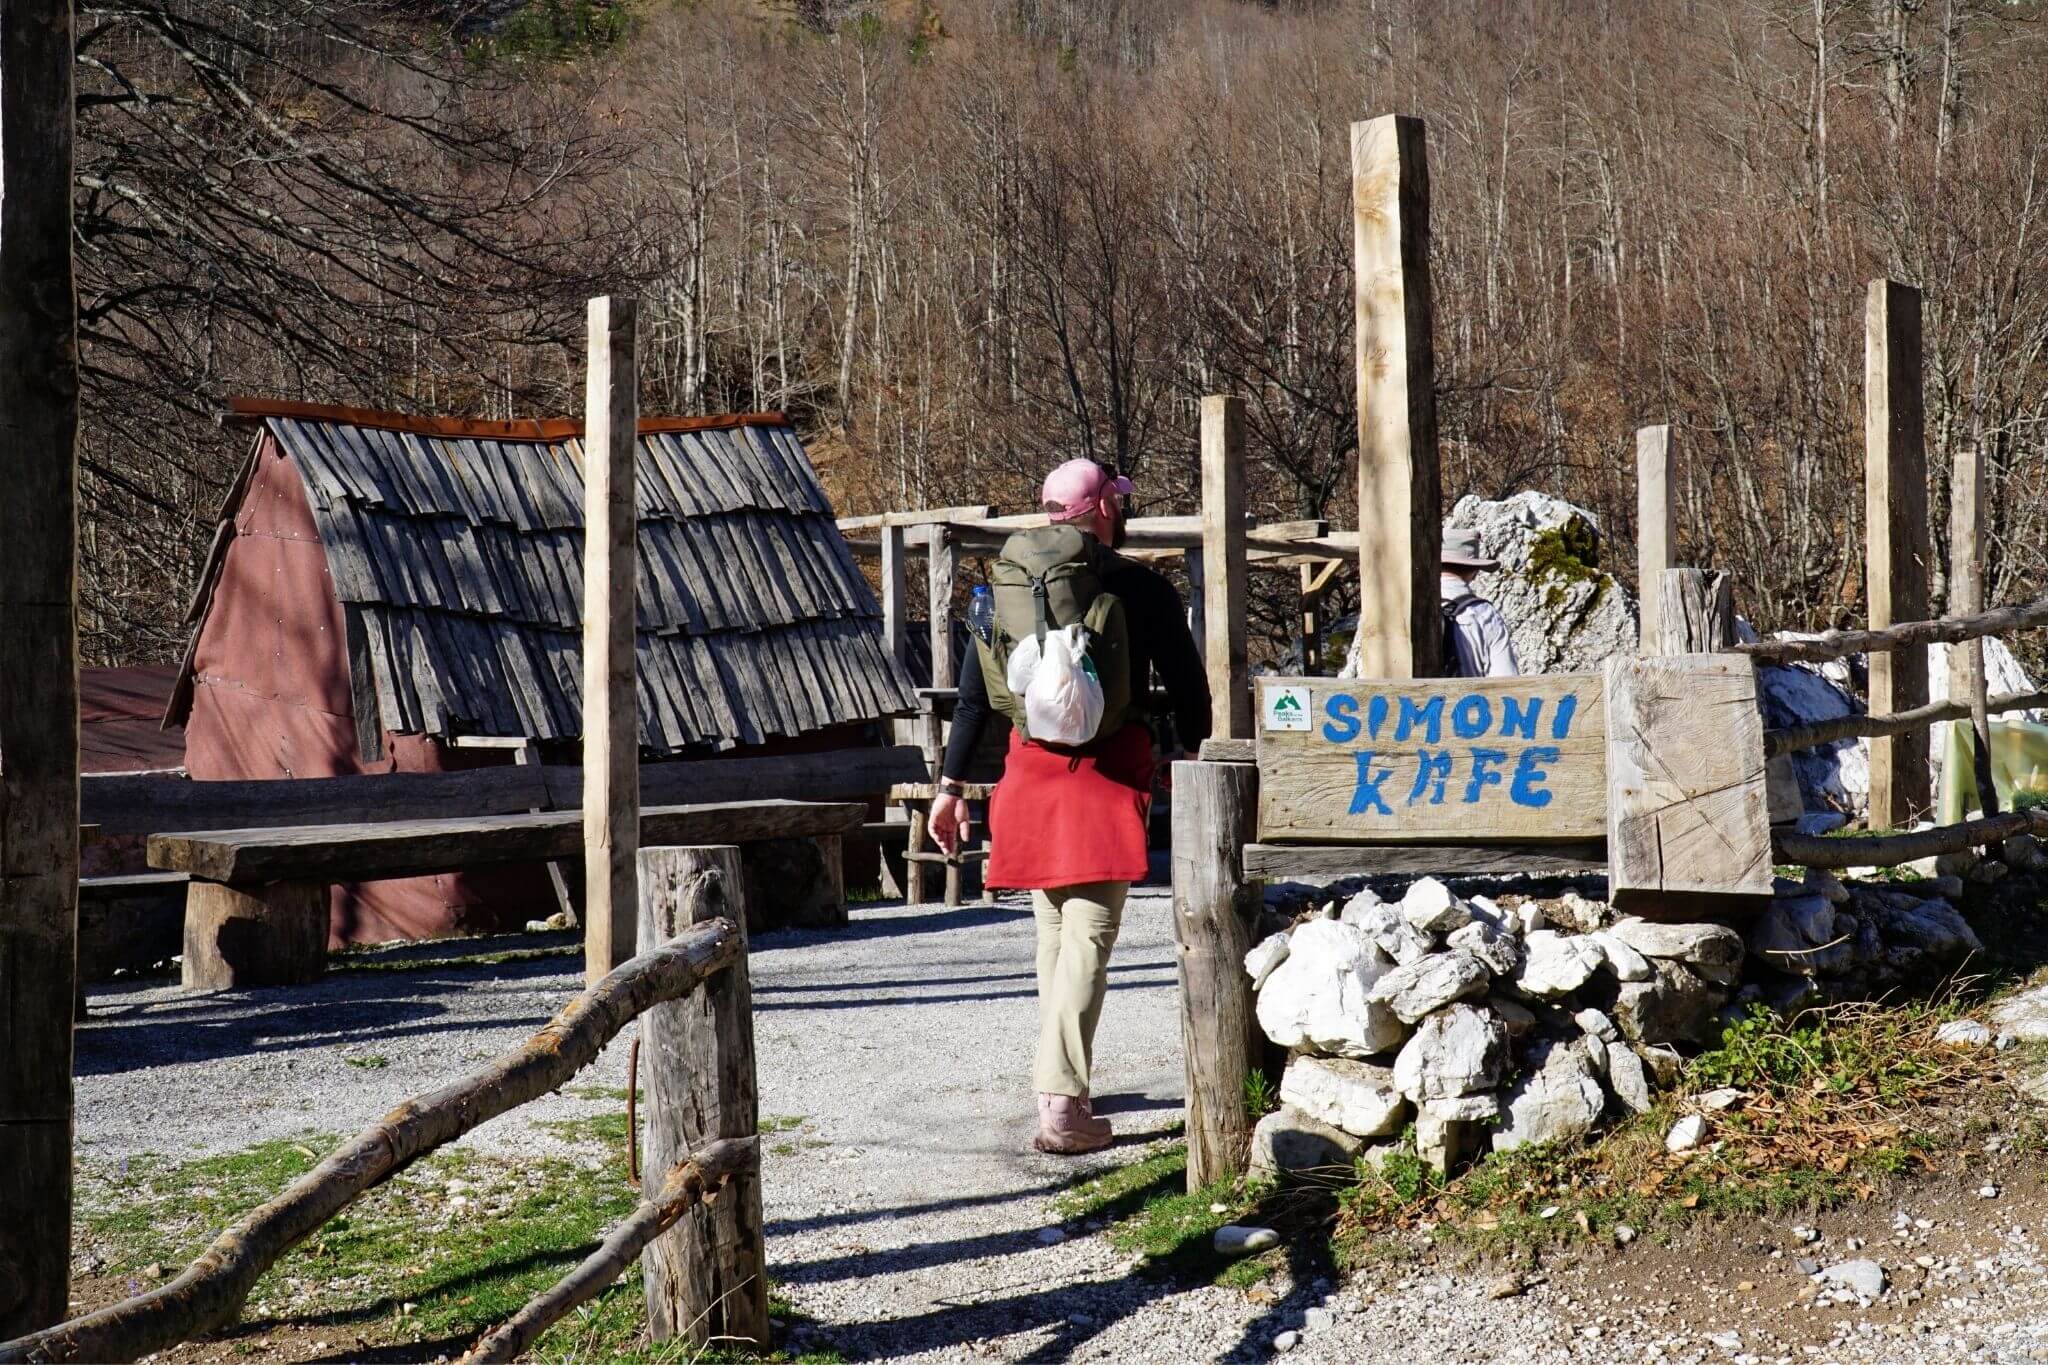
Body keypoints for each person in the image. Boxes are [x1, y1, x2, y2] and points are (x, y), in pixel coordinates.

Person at [929, 458, 1210, 1155]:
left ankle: (1066, 1084)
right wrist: (1189, 750)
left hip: (1028, 772)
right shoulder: (1140, 586)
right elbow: (1189, 689)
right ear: (1106, 510)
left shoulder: (1006, 586)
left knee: (1055, 930)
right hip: (1106, 774)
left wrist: (950, 786)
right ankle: (1060, 1102)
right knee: (1088, 932)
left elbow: (972, 699)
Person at [1441, 527, 1521, 677]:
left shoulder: (1410, 608)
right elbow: (1506, 680)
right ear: (1475, 571)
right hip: (1470, 700)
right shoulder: (1484, 614)